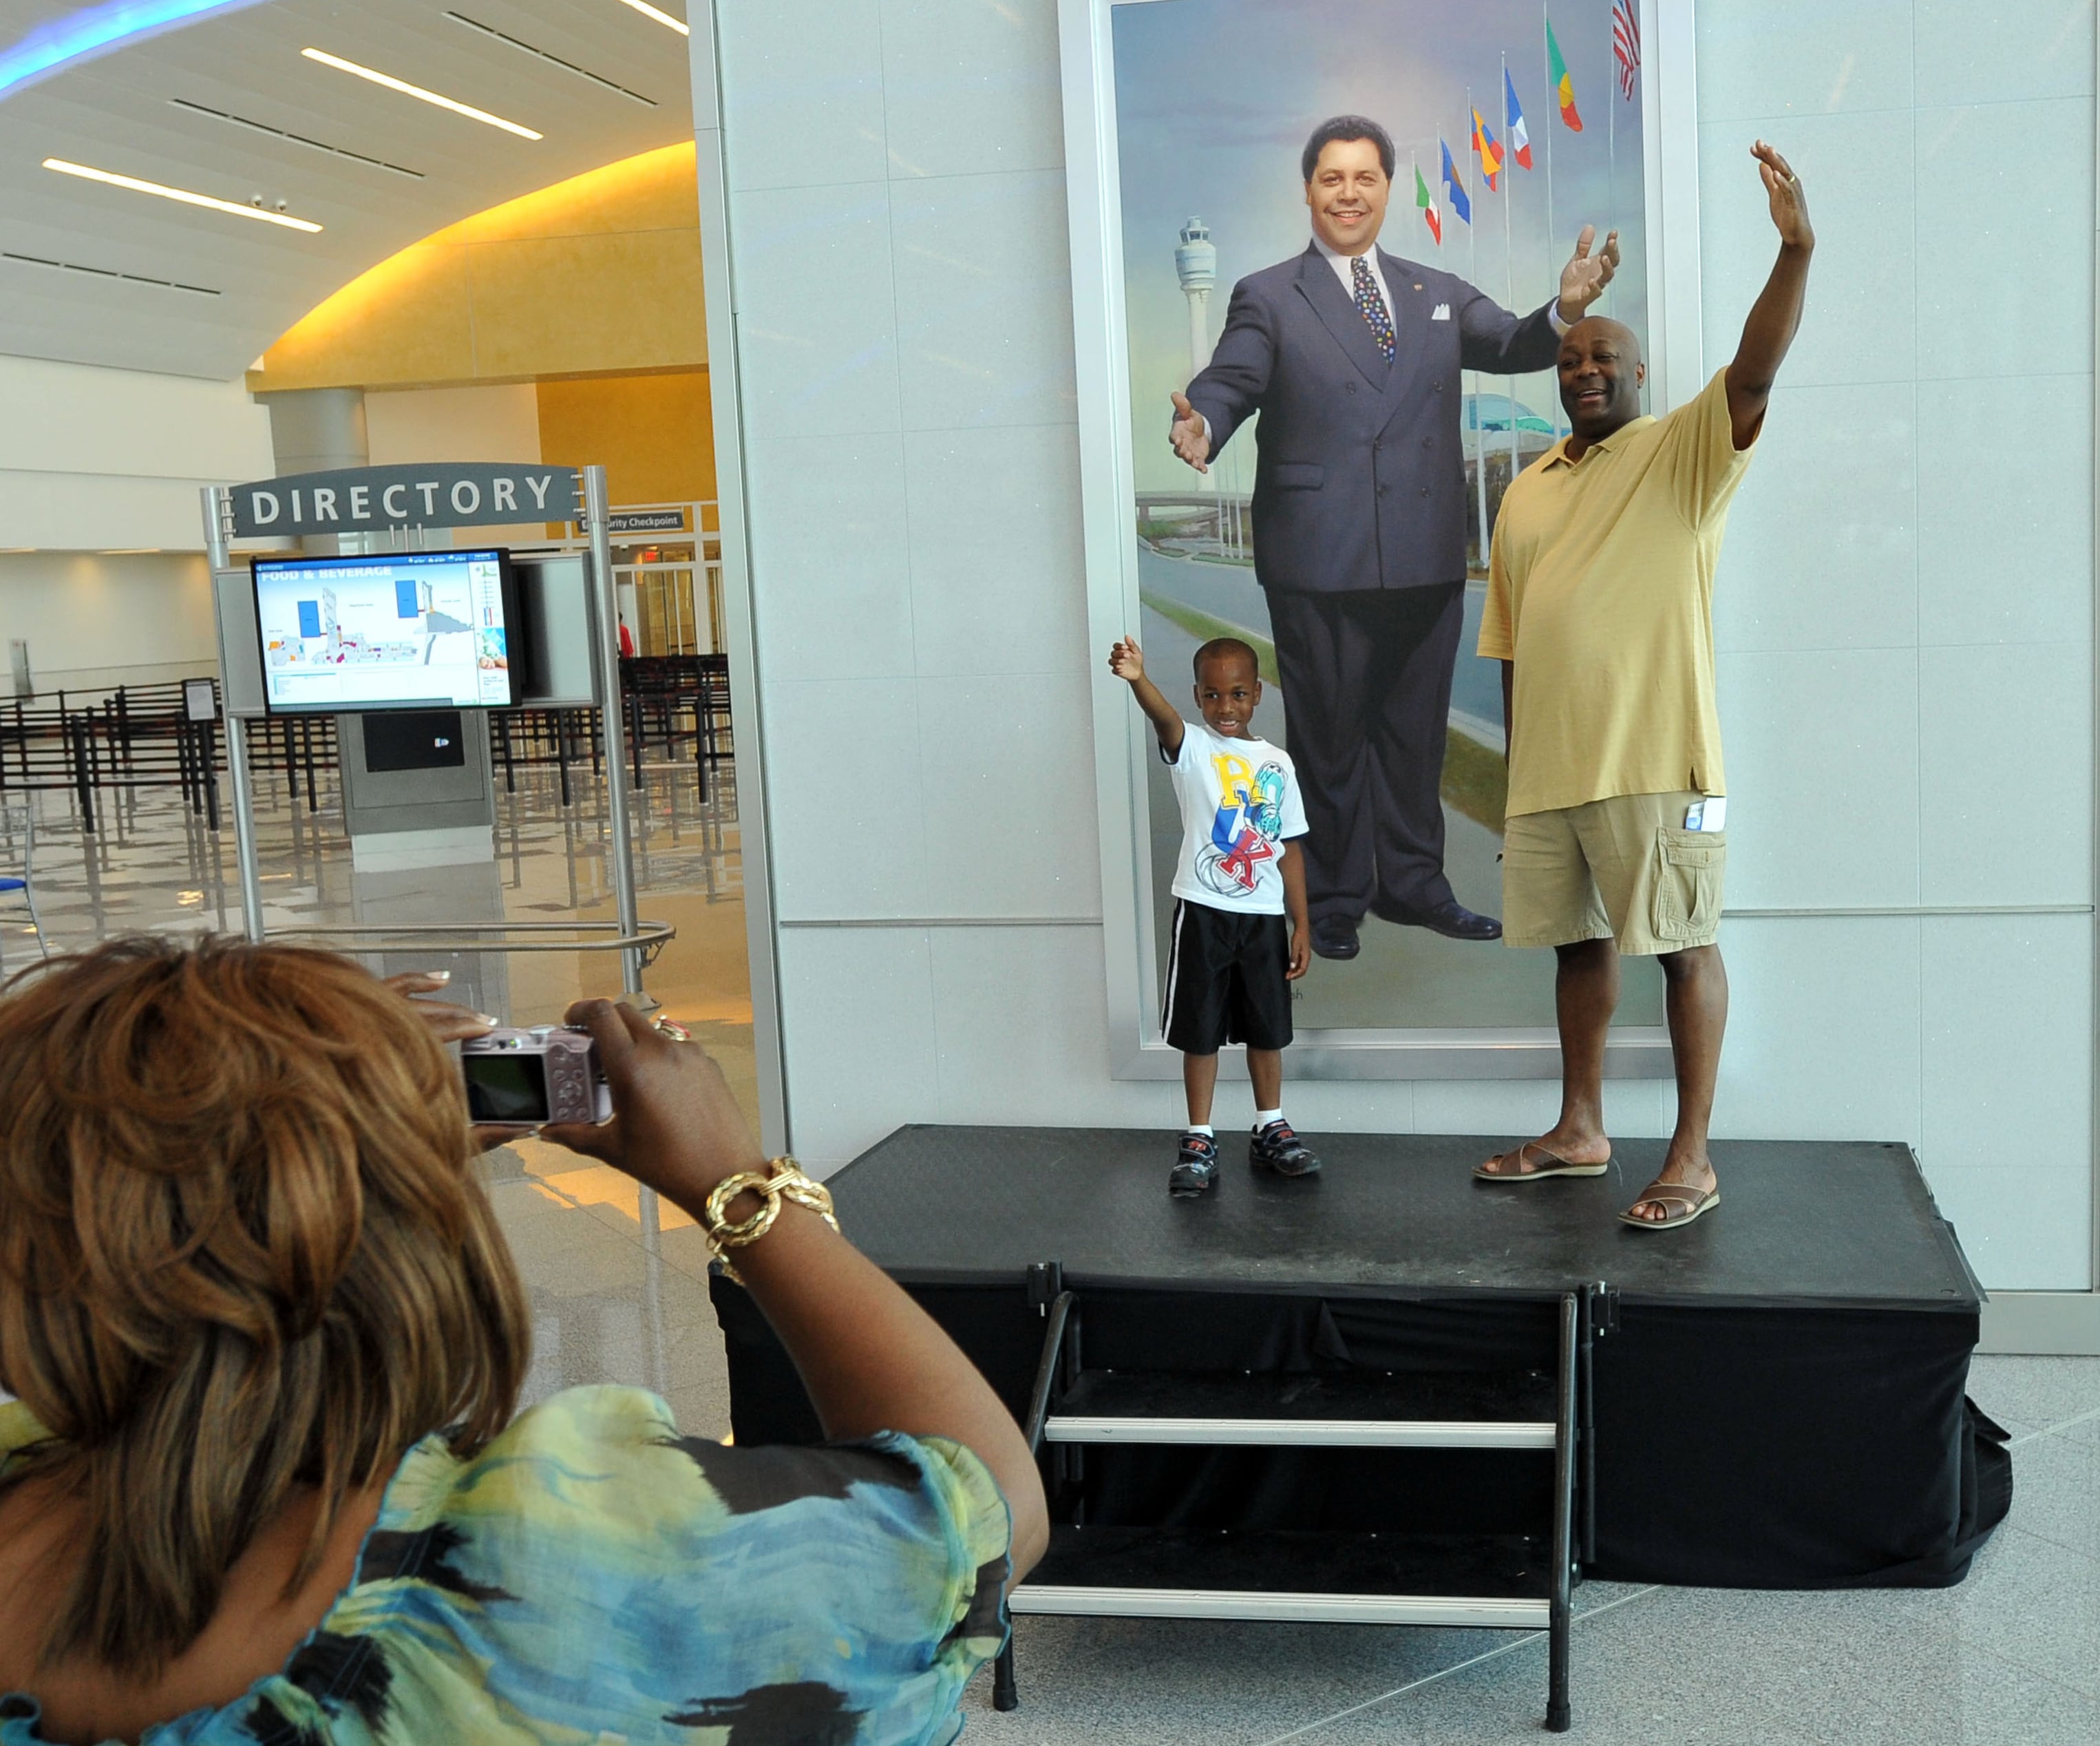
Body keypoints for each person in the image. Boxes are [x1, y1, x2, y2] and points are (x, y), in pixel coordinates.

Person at [0, 939, 1046, 1745]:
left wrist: (319, 1155)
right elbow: (984, 1510)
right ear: (419, 1253)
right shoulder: (541, 1568)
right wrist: (740, 1187)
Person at [1170, 114, 1622, 962]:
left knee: (1416, 738)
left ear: (1385, 190)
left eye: (1365, 177)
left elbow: (1516, 342)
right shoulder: (1268, 296)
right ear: (1309, 191)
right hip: (1318, 559)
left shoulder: (1437, 292)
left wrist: (1563, 309)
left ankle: (1417, 887)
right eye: (1332, 178)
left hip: (1423, 555)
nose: (1349, 192)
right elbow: (1231, 377)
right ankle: (1337, 900)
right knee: (1332, 740)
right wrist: (1207, 424)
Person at [1469, 143, 1814, 1231]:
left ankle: (1694, 1158)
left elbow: (1755, 370)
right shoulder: (1525, 491)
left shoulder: (1683, 453)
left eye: (1604, 355)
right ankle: (1580, 1130)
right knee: (1578, 945)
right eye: (1569, 358)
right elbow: (1515, 646)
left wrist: (1795, 248)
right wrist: (1512, 788)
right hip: (1555, 778)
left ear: (1641, 372)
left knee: (1682, 944)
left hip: (1666, 765)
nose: (1583, 369)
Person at [1109, 633, 1319, 1196]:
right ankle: (1199, 1136)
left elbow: (1290, 848)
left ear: (1257, 696)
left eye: (1238, 694)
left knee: (1266, 1028)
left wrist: (1302, 922)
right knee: (1199, 1031)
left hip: (1263, 918)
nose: (1226, 708)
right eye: (1213, 696)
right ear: (1199, 697)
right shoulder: (1193, 749)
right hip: (1203, 911)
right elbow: (1164, 719)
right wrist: (1138, 680)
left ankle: (1269, 1124)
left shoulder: (1277, 763)